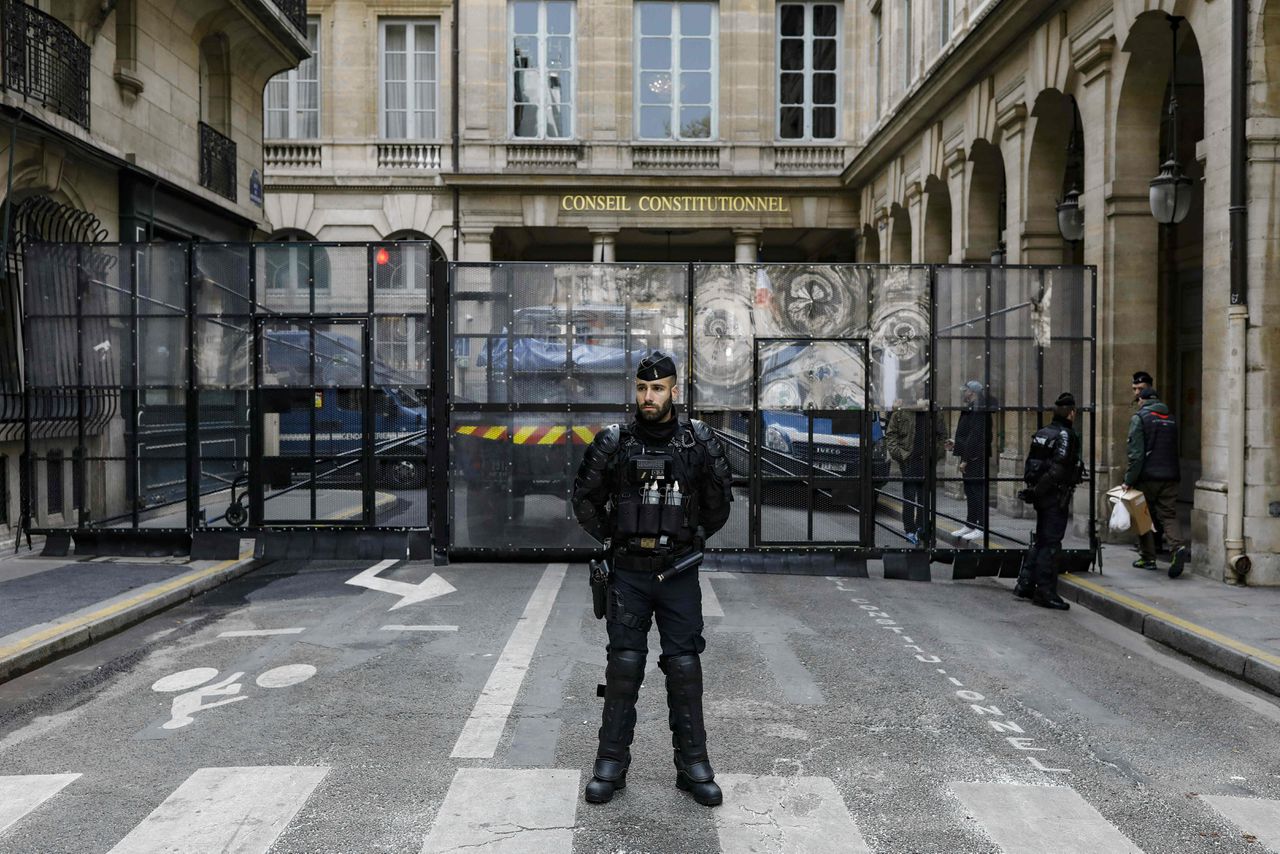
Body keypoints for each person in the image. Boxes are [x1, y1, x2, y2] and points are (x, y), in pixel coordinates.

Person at [571, 350, 733, 807]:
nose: (649, 396)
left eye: (658, 388)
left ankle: (693, 765)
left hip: (677, 574)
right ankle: (610, 763)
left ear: (674, 390)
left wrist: (688, 538)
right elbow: (584, 498)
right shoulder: (615, 442)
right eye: (642, 388)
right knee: (623, 666)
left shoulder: (698, 442)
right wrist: (616, 538)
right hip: (629, 575)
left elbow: (719, 503)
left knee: (684, 667)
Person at [1015, 392, 1085, 610]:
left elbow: (1031, 464)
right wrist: (1039, 491)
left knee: (1041, 539)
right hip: (1054, 495)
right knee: (1051, 544)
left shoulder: (1043, 433)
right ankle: (1045, 592)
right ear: (1072, 413)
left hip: (1042, 494)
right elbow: (1058, 470)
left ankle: (1025, 583)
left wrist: (1034, 491)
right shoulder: (1066, 435)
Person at [1124, 387, 1188, 577]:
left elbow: (1136, 454)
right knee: (1167, 514)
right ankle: (1178, 547)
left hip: (1148, 476)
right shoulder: (1171, 418)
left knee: (1142, 515)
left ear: (1142, 401)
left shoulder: (1140, 418)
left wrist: (1129, 480)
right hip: (1171, 475)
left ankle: (1148, 558)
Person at [885, 398, 946, 546]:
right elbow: (891, 434)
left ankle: (921, 528)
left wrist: (935, 454)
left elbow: (942, 436)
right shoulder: (901, 413)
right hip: (909, 461)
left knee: (924, 498)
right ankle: (909, 530)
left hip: (927, 461)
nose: (922, 401)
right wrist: (899, 454)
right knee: (909, 496)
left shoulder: (934, 414)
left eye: (924, 398)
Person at [946, 380, 993, 541]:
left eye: (965, 391)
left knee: (977, 492)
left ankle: (981, 527)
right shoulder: (972, 408)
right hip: (970, 455)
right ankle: (971, 524)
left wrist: (966, 459)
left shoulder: (979, 409)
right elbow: (966, 435)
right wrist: (955, 443)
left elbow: (976, 436)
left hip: (975, 457)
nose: (963, 393)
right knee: (970, 492)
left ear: (972, 393)